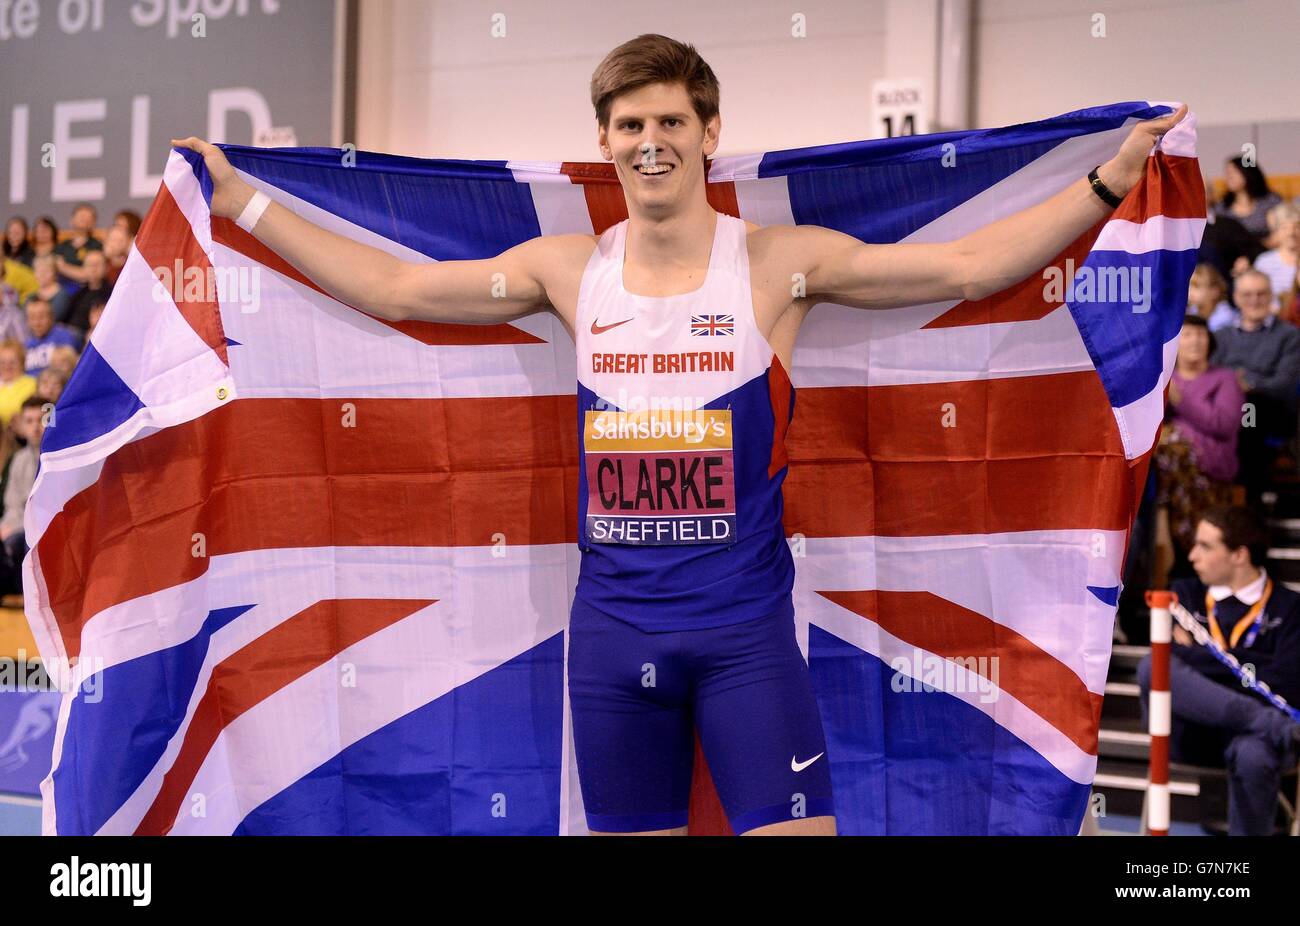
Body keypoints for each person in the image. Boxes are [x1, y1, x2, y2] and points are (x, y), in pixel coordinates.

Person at [171, 33, 1187, 836]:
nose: (647, 139)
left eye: (667, 119)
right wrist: (241, 200)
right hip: (613, 640)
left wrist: (1108, 179)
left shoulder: (775, 264)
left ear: (708, 133)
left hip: (746, 641)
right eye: (626, 123)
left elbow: (967, 270)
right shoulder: (567, 272)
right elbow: (393, 286)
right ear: (606, 141)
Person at [1137, 507, 1300, 835]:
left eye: (1205, 546)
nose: (1192, 555)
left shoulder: (1290, 607)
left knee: (1256, 756)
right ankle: (1270, 723)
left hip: (1253, 739)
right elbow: (1170, 663)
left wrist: (1204, 657)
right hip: (1195, 730)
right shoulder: (1182, 594)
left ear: (1239, 554)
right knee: (1153, 666)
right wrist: (1250, 664)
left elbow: (1289, 681)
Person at [1152, 316, 1242, 585]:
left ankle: (1177, 541)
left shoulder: (1225, 379)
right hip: (1168, 473)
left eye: (1201, 335)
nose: (1195, 341)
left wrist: (1182, 401)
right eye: (1188, 334)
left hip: (1212, 467)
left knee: (1173, 445)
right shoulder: (1163, 378)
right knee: (1167, 448)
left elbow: (1224, 424)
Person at [1212, 270, 1300, 502]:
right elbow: (1208, 376)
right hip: (1226, 410)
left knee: (1248, 410)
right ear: (1237, 297)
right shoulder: (1221, 336)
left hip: (1270, 410)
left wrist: (1247, 384)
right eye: (1248, 294)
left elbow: (1284, 384)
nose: (1254, 300)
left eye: (1261, 294)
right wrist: (1232, 388)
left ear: (1271, 296)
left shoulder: (1289, 335)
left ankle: (1246, 497)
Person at [0, 397, 46, 597]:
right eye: (29, 421)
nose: (36, 427)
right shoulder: (18, 459)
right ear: (21, 425)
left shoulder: (58, 457)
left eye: (41, 420)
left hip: (45, 530)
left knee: (23, 543)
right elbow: (12, 504)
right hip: (20, 528)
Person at [1214, 157, 1282, 243]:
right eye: (1227, 173)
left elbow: (1282, 230)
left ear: (1248, 172)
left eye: (1234, 172)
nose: (1229, 177)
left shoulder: (1270, 201)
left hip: (1267, 250)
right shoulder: (1222, 207)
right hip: (1235, 254)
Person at [23, 299, 82, 377]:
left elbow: (67, 368)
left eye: (41, 317)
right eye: (32, 318)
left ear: (51, 317)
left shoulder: (64, 336)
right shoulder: (27, 344)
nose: (37, 323)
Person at [1253, 203, 1299, 301]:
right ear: (1276, 231)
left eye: (1297, 227)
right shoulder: (1264, 262)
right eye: (1284, 227)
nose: (1291, 233)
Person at [53, 203, 103, 287]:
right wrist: (80, 272)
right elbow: (55, 268)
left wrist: (64, 267)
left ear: (94, 223)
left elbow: (89, 275)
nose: (84, 218)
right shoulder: (61, 247)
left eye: (88, 217)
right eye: (81, 216)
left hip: (86, 290)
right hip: (62, 288)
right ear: (71, 220)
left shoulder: (97, 246)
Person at [63, 251, 113, 334]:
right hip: (70, 332)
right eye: (89, 265)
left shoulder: (112, 293)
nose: (93, 269)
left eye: (97, 265)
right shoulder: (79, 292)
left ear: (106, 268)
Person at [1186, 262, 1238, 331]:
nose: (1190, 291)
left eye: (1196, 286)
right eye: (1189, 286)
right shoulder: (1191, 311)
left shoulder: (1226, 317)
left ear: (1214, 291)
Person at [26, 254, 73, 324]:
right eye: (38, 271)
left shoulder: (62, 295)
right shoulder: (31, 296)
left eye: (46, 271)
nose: (41, 274)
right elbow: (25, 318)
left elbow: (53, 318)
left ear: (55, 273)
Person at [0, 341, 36, 429]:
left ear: (22, 363)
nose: (7, 366)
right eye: (2, 362)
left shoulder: (32, 383)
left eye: (12, 362)